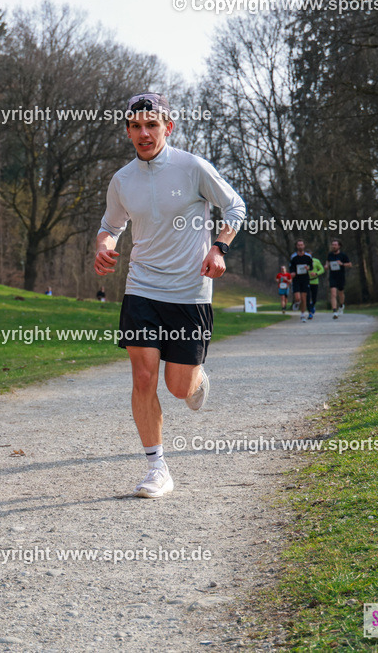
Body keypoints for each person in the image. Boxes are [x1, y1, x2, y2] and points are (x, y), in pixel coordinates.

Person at [94, 92, 246, 499]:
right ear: (127, 131)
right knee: (143, 376)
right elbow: (111, 224)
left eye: (152, 125)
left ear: (168, 128)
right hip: (142, 287)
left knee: (179, 387)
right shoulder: (122, 179)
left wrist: (220, 248)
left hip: (190, 292)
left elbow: (235, 208)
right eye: (136, 126)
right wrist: (104, 245)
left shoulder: (192, 167)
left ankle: (195, 380)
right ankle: (156, 467)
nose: (143, 133)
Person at [325, 239, 352, 318]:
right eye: (332, 245)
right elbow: (327, 264)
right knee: (333, 294)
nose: (333, 246)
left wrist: (342, 264)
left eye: (335, 245)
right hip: (332, 276)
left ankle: (341, 305)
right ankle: (334, 311)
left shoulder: (343, 255)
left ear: (339, 246)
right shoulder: (330, 255)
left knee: (341, 293)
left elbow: (350, 264)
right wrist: (326, 266)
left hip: (340, 276)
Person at [289, 240, 313, 323]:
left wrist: (308, 268)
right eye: (298, 245)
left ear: (304, 246)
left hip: (305, 279)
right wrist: (292, 272)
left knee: (303, 298)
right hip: (296, 279)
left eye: (301, 245)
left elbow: (311, 267)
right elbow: (291, 267)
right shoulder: (293, 257)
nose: (300, 246)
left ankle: (302, 315)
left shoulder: (308, 256)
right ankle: (296, 303)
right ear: (296, 246)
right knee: (298, 298)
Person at [307, 250, 325, 320]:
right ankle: (310, 312)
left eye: (309, 255)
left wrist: (316, 273)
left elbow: (322, 269)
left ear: (311, 255)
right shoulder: (303, 262)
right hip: (306, 281)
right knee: (307, 298)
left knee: (314, 298)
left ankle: (312, 305)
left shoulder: (316, 261)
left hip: (315, 281)